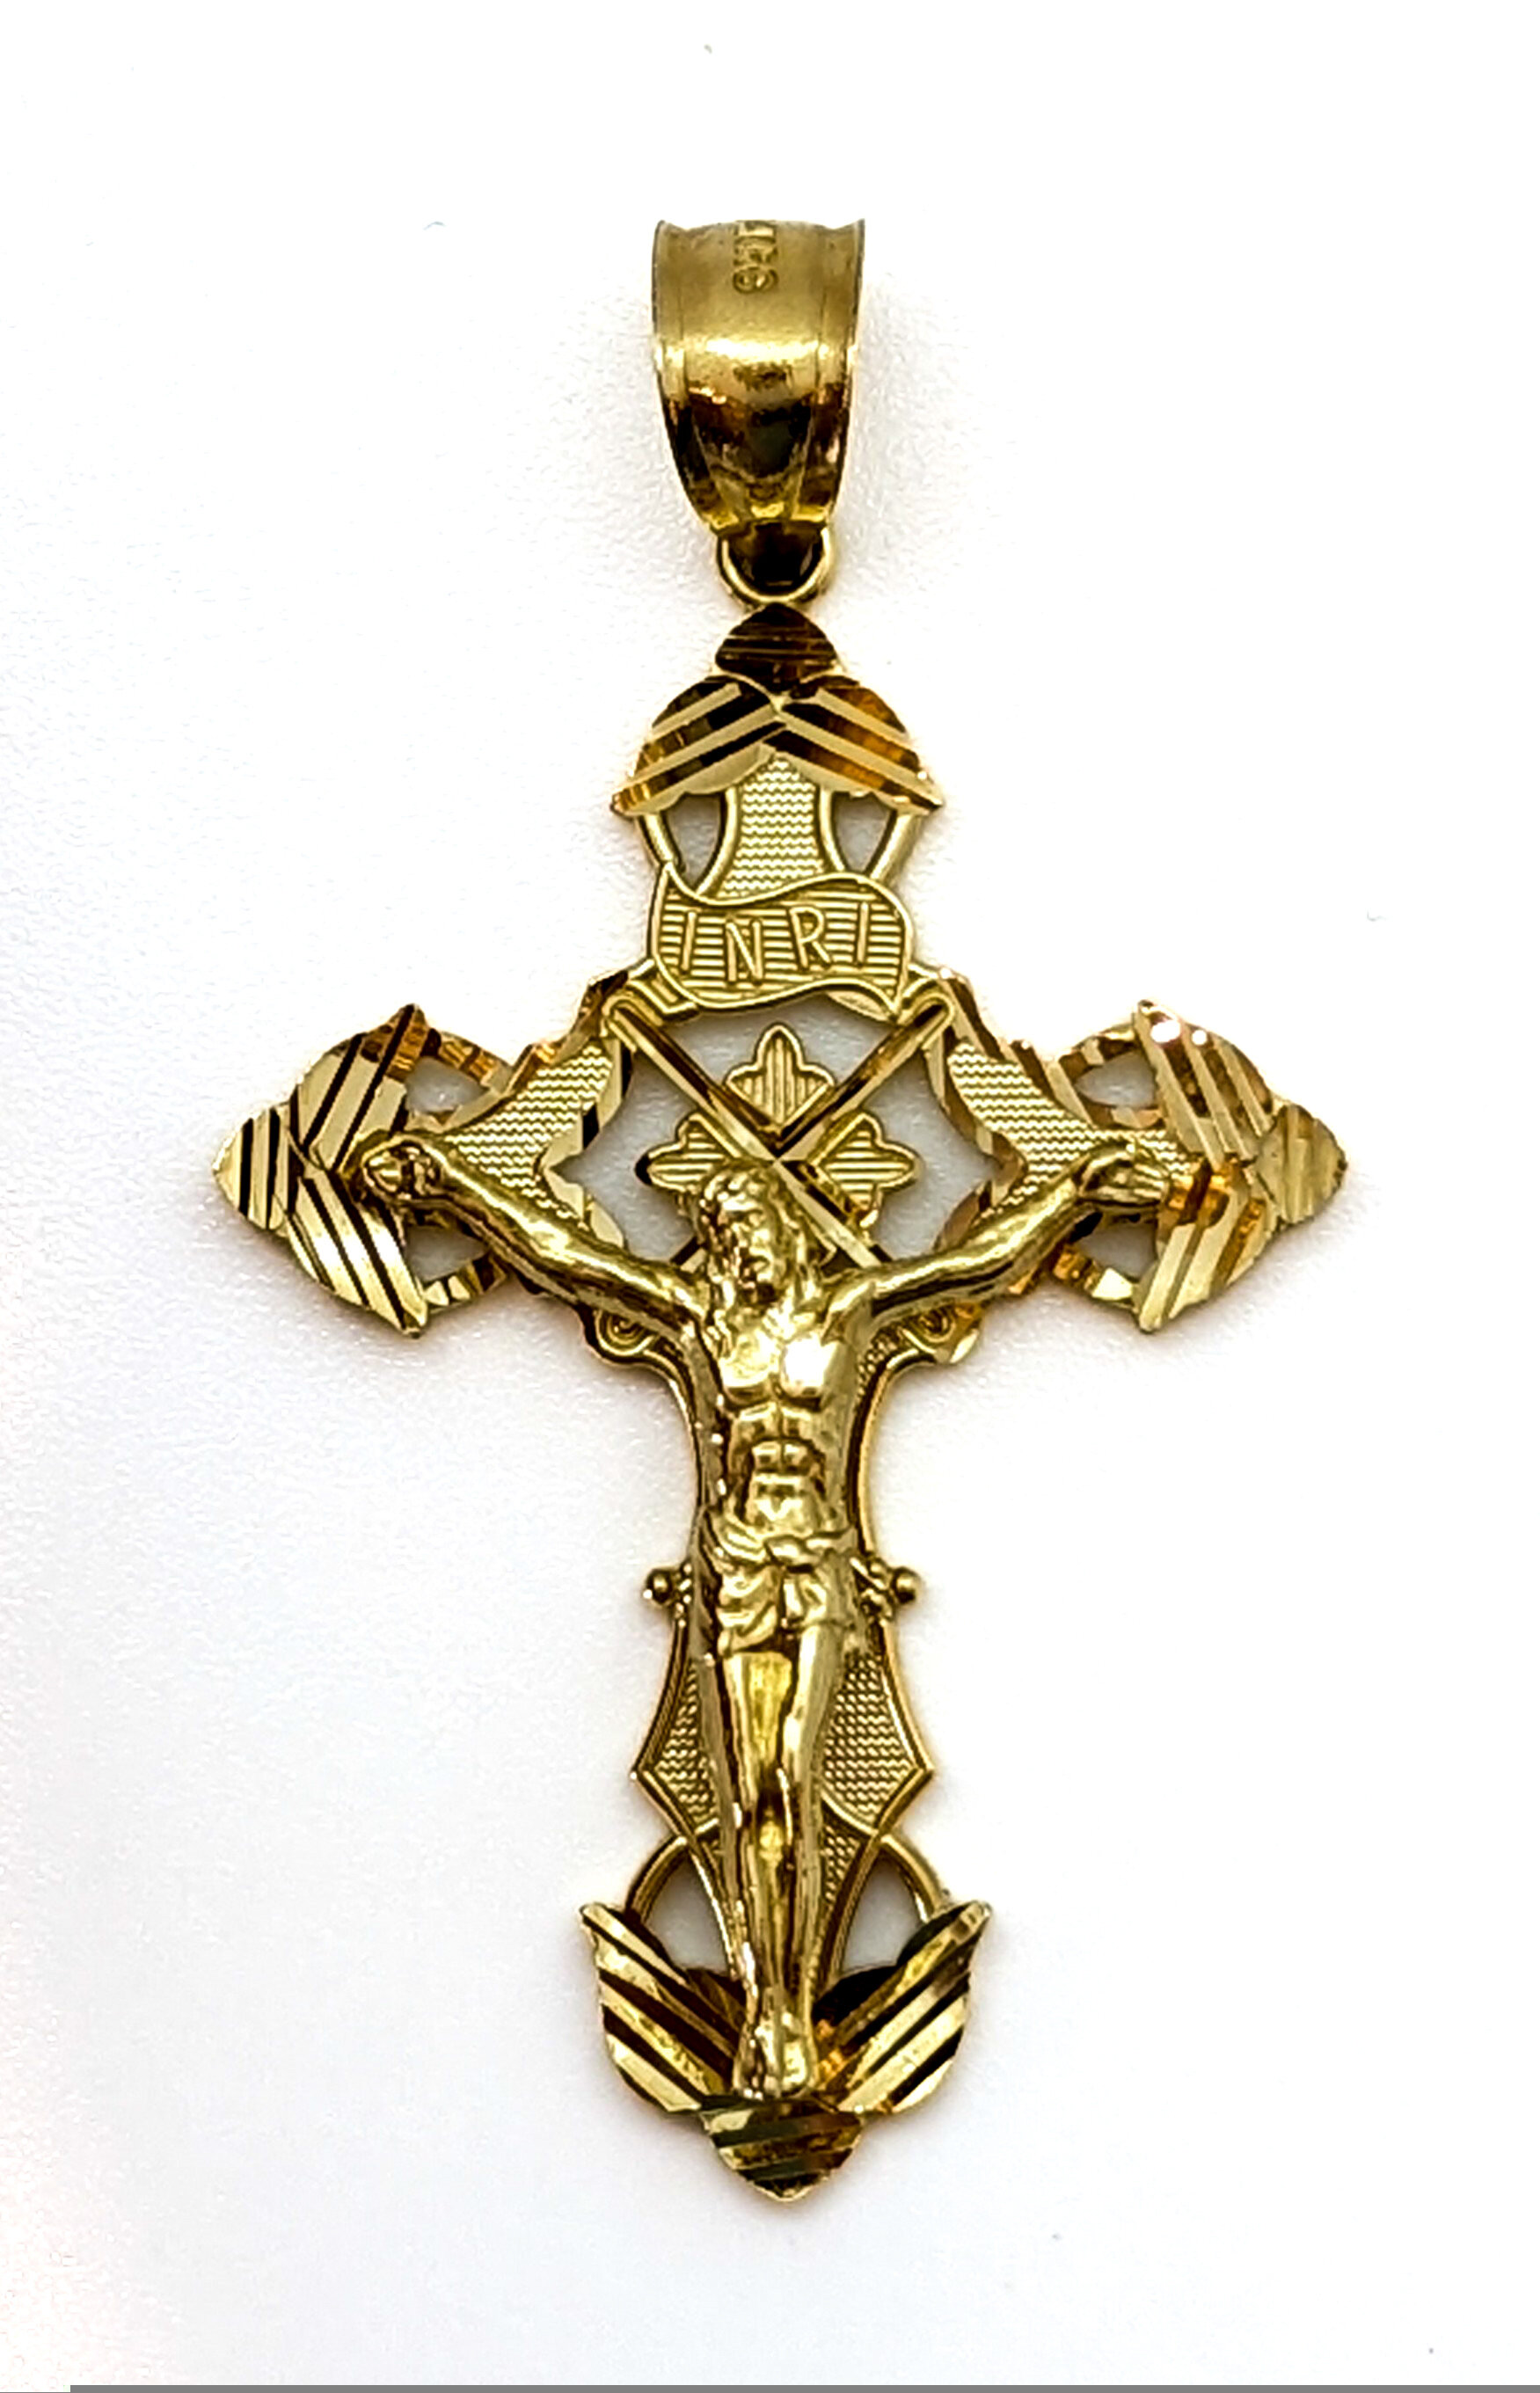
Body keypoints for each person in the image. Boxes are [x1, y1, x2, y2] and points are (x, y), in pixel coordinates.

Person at [357, 1126, 1165, 2098]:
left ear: (785, 1228)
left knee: (793, 1778)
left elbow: (974, 1264)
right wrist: (457, 1189)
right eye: (722, 1233)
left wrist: (1073, 1194)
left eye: (749, 1226)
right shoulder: (702, 1321)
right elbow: (566, 1258)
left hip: (813, 1566)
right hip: (738, 1568)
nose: (738, 1247)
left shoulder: (848, 1310)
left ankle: (788, 2003)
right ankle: (771, 2011)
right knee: (752, 1794)